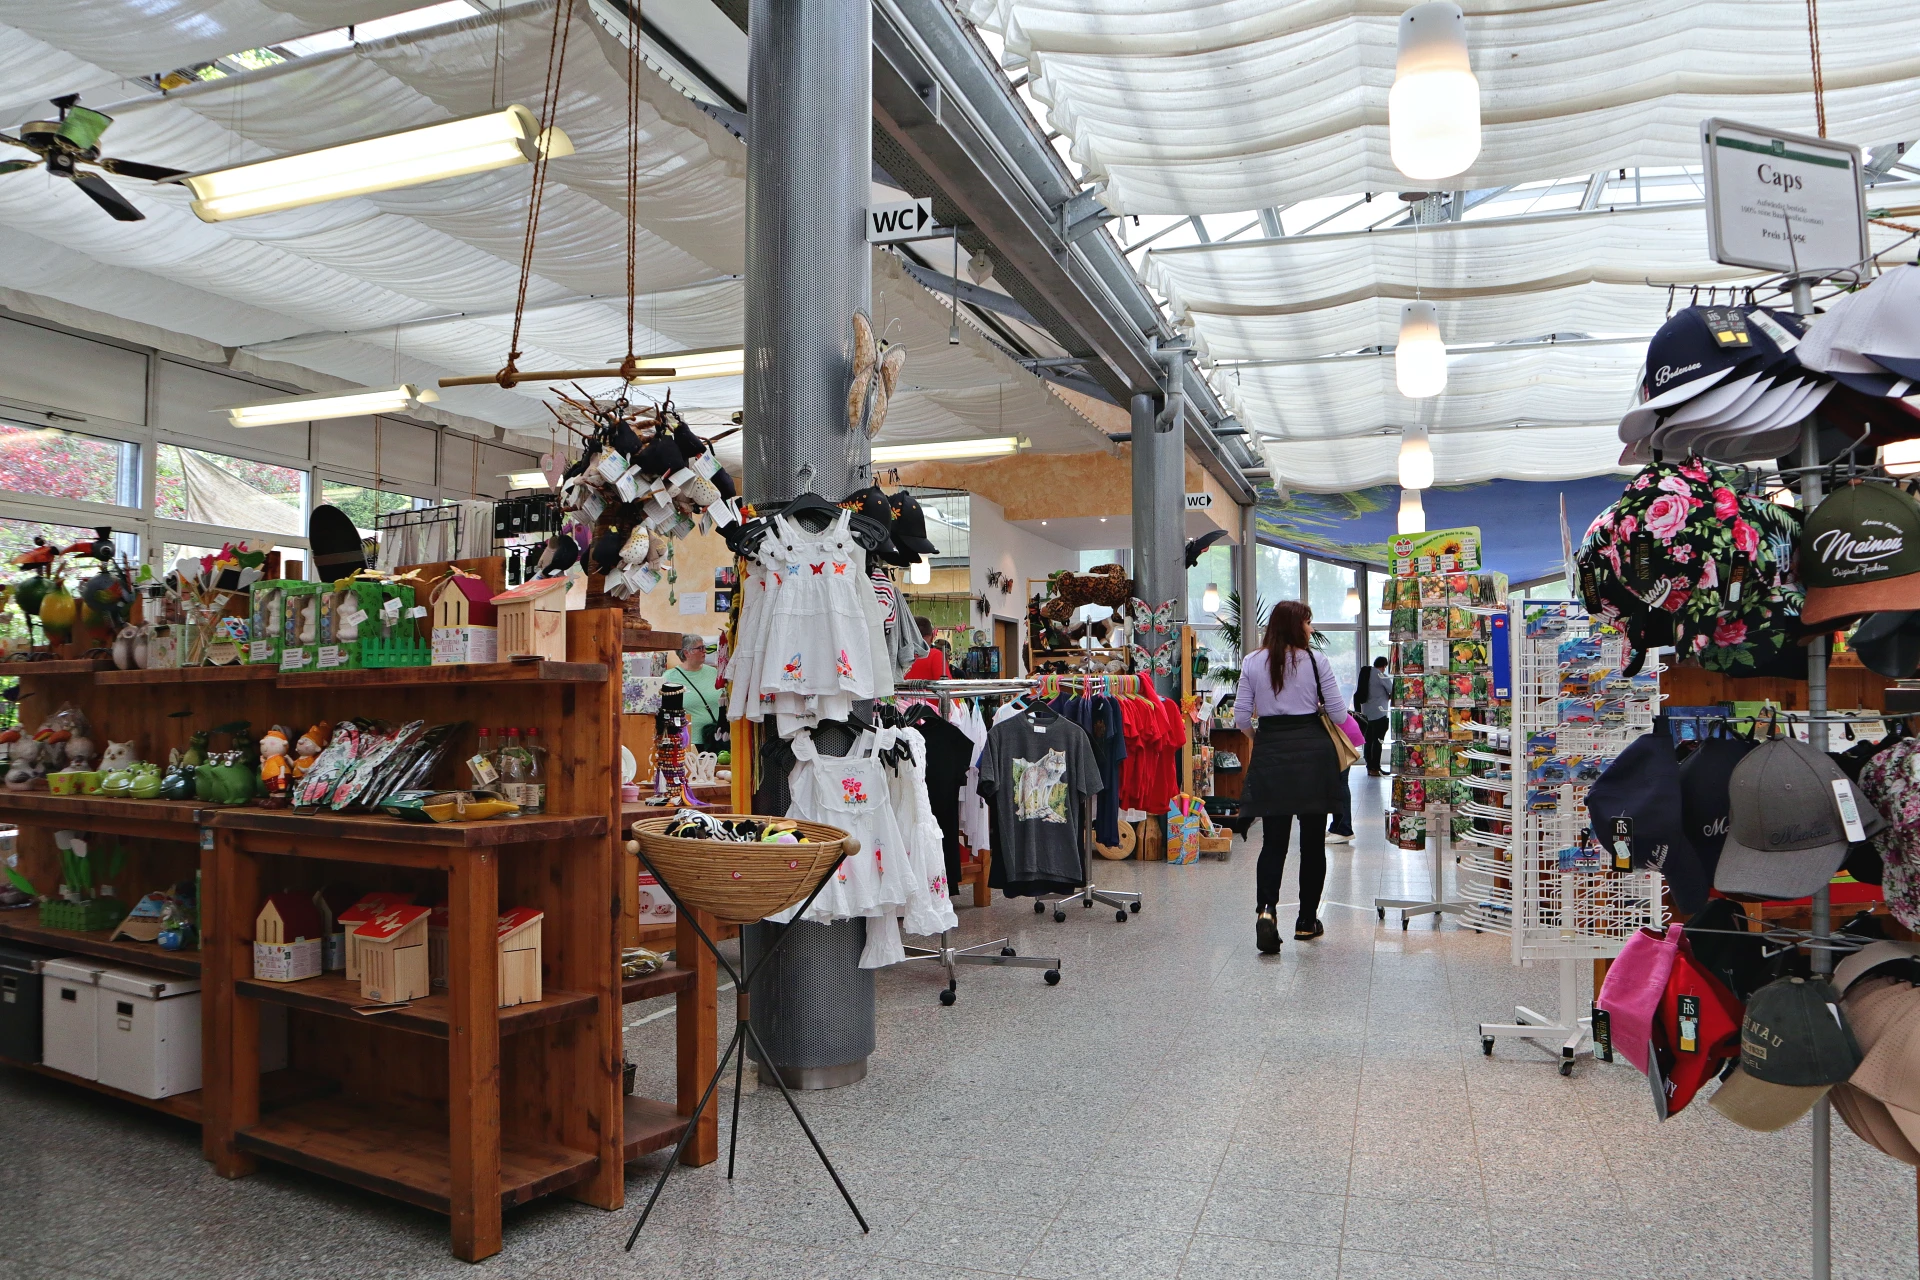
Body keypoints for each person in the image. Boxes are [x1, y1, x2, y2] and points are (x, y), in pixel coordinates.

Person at [1233, 601, 1345, 953]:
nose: (1311, 629)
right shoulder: (1316, 661)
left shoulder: (1252, 661)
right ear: (1297, 626)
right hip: (1313, 756)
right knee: (1312, 844)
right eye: (1308, 623)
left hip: (1271, 755)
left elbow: (1241, 717)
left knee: (1273, 842)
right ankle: (1307, 921)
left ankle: (1266, 911)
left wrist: (1261, 740)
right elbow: (1339, 714)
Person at [664, 634, 722, 751]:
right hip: (689, 743)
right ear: (686, 653)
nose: (705, 651)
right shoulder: (669, 677)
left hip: (716, 739)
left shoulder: (714, 673)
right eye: (700, 648)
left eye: (704, 647)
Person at [1357, 655, 1391, 777]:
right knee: (1377, 742)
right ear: (1384, 666)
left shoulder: (1367, 673)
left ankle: (1370, 767)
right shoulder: (1380, 675)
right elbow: (1392, 690)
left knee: (1368, 741)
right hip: (1379, 714)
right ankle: (1375, 767)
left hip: (1366, 714)